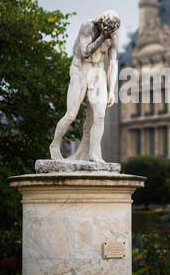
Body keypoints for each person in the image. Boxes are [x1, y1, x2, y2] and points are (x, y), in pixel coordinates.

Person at [49, 10, 120, 163]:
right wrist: (102, 37)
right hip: (80, 68)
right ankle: (55, 145)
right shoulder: (88, 26)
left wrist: (111, 89)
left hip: (97, 70)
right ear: (101, 23)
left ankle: (93, 153)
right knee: (71, 114)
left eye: (112, 30)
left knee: (99, 116)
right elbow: (85, 52)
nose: (110, 32)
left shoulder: (113, 36)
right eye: (107, 28)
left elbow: (113, 64)